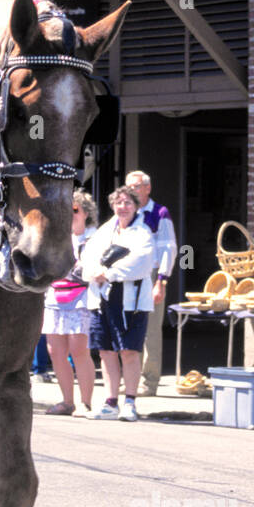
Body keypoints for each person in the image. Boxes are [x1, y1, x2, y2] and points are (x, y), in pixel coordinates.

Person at [81, 186, 155, 422]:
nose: (123, 207)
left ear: (136, 206)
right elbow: (88, 256)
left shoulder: (143, 233)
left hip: (130, 301)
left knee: (129, 351)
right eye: (119, 203)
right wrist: (96, 272)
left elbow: (141, 261)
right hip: (102, 297)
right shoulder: (103, 232)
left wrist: (109, 273)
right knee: (105, 351)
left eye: (128, 203)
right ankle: (110, 401)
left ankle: (130, 401)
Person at [43, 190, 98, 415]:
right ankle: (67, 401)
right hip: (55, 295)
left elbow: (87, 269)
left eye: (75, 209)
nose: (70, 214)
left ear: (86, 212)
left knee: (78, 350)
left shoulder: (95, 237)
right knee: (55, 351)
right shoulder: (56, 235)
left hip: (82, 298)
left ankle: (86, 403)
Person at [125, 170, 176, 396]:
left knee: (150, 330)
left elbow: (168, 248)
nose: (132, 191)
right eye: (129, 187)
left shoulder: (159, 213)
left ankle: (149, 381)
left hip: (151, 274)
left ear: (147, 188)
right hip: (128, 274)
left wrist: (161, 281)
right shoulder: (125, 212)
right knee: (127, 327)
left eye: (136, 186)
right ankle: (130, 379)